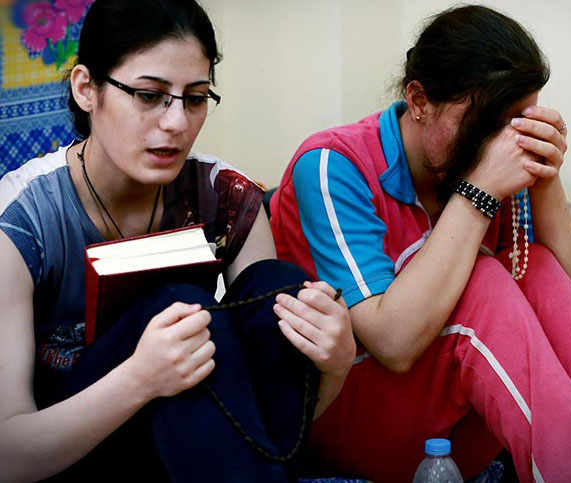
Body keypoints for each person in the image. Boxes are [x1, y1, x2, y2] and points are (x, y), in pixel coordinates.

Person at [270, 5, 571, 483]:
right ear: (419, 100)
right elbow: (392, 342)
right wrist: (477, 192)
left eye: (516, 122)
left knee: (534, 267)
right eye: (484, 123)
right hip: (348, 416)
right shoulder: (332, 164)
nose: (501, 143)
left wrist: (546, 177)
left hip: (458, 427)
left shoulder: (495, 158)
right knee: (483, 280)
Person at [0, 0, 355, 481]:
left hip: (196, 451)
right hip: (66, 455)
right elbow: (7, 456)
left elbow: (272, 424)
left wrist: (334, 365)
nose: (176, 123)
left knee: (277, 285)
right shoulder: (20, 219)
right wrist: (139, 379)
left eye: (195, 98)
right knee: (180, 307)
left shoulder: (225, 198)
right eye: (149, 95)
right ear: (86, 89)